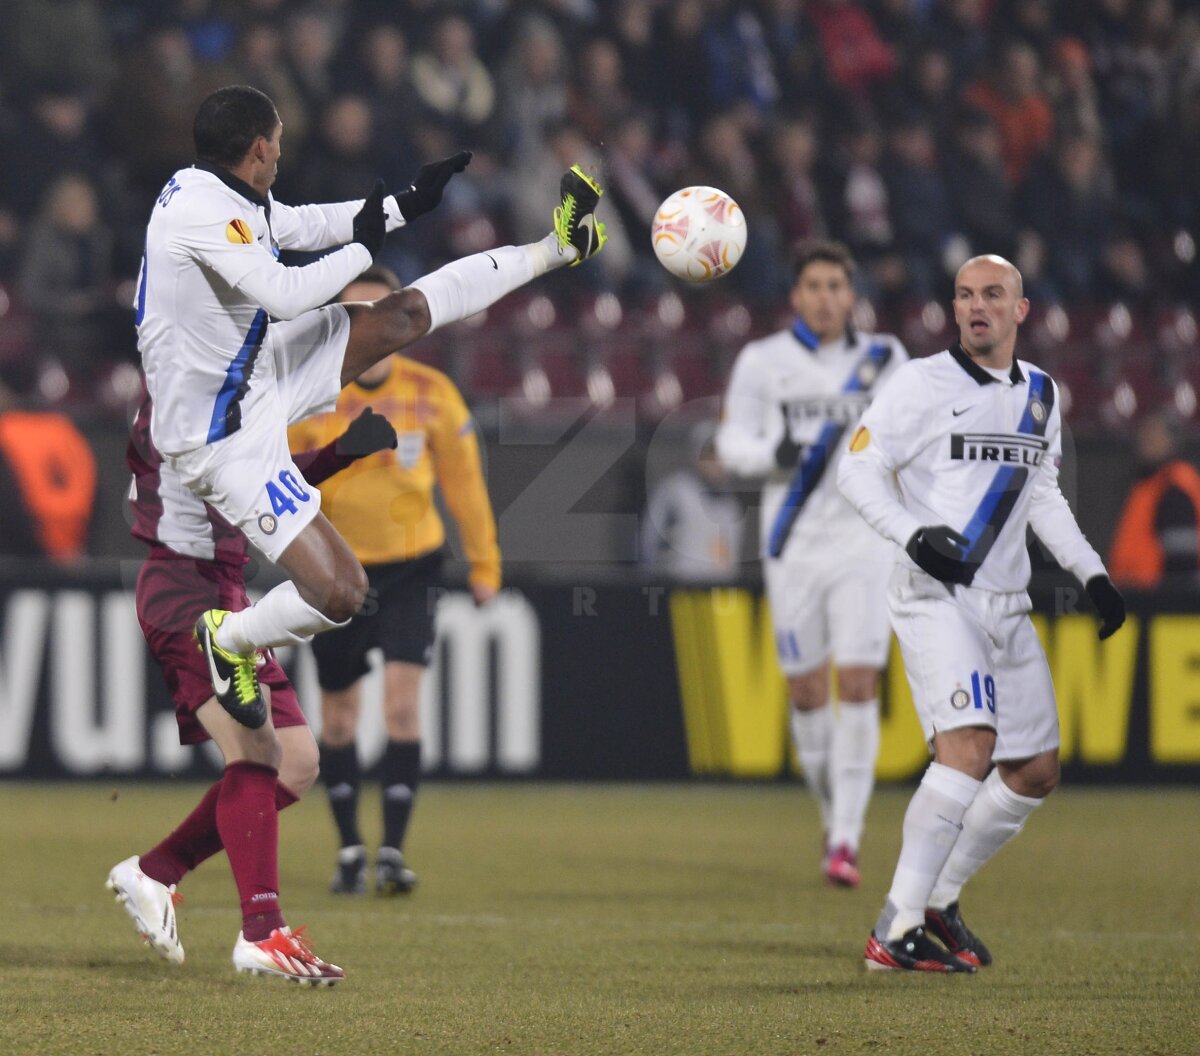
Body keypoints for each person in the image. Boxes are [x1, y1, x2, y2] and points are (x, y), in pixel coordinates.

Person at [129, 83, 606, 983]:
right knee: (342, 592)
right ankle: (233, 639)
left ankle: (559, 246)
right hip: (219, 438)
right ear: (260, 147)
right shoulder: (196, 213)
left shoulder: (219, 191)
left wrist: (394, 207)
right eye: (278, 142)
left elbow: (290, 226)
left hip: (251, 377)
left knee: (403, 317)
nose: (282, 155)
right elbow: (283, 286)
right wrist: (370, 243)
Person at [837, 254, 1126, 972]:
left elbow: (1041, 494)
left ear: (1021, 309)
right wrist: (912, 534)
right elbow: (856, 469)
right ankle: (894, 929)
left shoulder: (1041, 394)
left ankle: (938, 897)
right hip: (935, 594)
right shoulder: (920, 383)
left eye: (993, 294)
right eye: (965, 294)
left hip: (1006, 602)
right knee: (967, 748)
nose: (976, 306)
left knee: (1034, 770)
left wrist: (1091, 574)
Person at [109, 387, 398, 984]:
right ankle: (263, 931)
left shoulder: (198, 390)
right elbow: (251, 485)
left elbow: (254, 477)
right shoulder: (187, 398)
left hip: (224, 591)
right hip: (185, 589)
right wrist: (331, 455)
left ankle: (156, 870)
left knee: (296, 761)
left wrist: (339, 453)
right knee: (258, 751)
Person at [287, 267, 501, 896]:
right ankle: (350, 850)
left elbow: (465, 485)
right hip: (335, 571)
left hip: (413, 567)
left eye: (377, 313)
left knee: (403, 705)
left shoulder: (433, 394)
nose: (367, 327)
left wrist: (485, 564)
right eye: (354, 315)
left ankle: (392, 853)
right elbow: (282, 478)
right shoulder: (311, 396)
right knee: (339, 717)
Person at [715, 241, 908, 887]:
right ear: (796, 296)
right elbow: (730, 444)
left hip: (864, 542)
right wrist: (771, 452)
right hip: (793, 543)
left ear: (851, 296)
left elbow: (916, 437)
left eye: (836, 286)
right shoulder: (762, 361)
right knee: (806, 691)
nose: (826, 298)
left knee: (857, 683)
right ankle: (832, 816)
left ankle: (847, 838)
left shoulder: (886, 359)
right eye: (814, 286)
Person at [0, 358, 97, 562]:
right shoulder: (65, 430)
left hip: (21, 558)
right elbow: (96, 492)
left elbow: (10, 503)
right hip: (73, 554)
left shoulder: (7, 431)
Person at [640, 420, 745, 583]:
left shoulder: (732, 506)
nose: (717, 462)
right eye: (710, 454)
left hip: (720, 594)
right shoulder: (675, 492)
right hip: (679, 591)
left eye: (721, 455)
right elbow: (649, 545)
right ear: (697, 456)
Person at [1108, 412, 1200, 588]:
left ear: (1173, 441)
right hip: (1136, 596)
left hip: (1159, 599)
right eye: (1145, 433)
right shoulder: (1148, 485)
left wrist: (1168, 599)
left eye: (1155, 433)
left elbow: (1182, 563)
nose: (1147, 439)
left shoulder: (1175, 487)